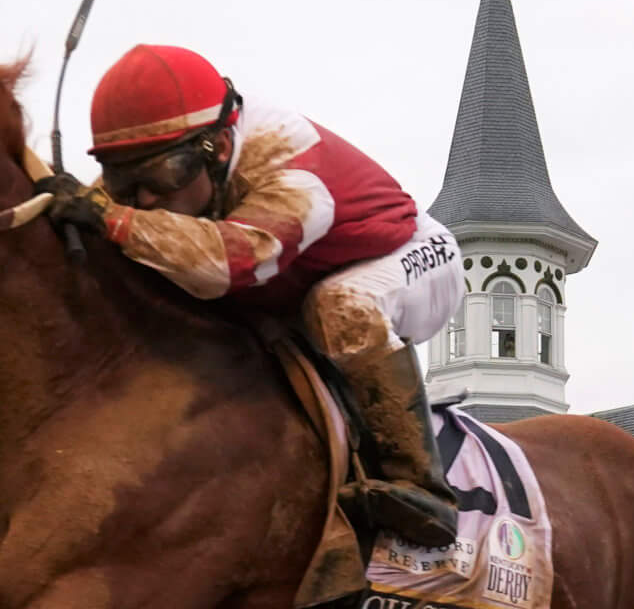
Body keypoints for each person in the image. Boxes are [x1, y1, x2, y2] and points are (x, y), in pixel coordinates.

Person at [46, 44, 466, 545]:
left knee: (342, 306)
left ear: (219, 148)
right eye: (122, 179)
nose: (146, 199)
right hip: (297, 275)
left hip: (410, 256)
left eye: (162, 176)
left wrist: (108, 217)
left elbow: (226, 263)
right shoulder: (169, 170)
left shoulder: (293, 167)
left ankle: (421, 487)